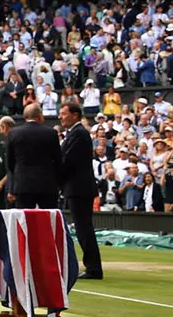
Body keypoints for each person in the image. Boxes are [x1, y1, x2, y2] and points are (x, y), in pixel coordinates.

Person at [58, 101, 104, 280]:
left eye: (64, 113)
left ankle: (93, 268)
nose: (61, 116)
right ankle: (92, 266)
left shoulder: (79, 133)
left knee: (84, 227)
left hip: (79, 188)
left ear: (75, 115)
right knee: (83, 227)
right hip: (76, 187)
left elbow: (68, 161)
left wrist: (56, 179)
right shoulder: (74, 134)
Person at [6, 103, 62, 209]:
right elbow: (58, 161)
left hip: (23, 184)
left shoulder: (13, 133)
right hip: (47, 184)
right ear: (40, 115)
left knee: (24, 220)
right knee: (48, 220)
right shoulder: (51, 133)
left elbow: (9, 162)